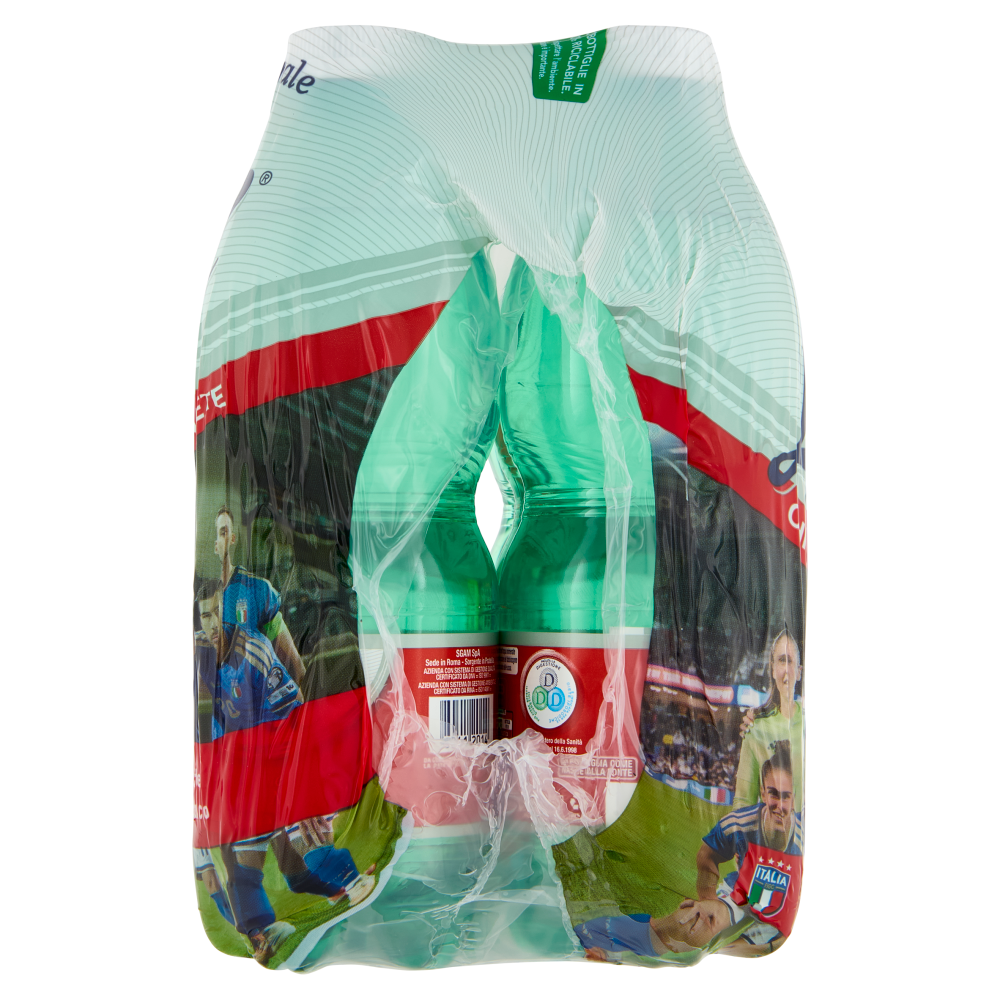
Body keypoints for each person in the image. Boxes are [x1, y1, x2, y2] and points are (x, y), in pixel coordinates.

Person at [194, 579, 302, 740]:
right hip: (224, 744)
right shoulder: (197, 647)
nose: (214, 624)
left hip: (263, 740)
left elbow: (296, 705)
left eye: (218, 611)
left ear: (227, 611)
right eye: (206, 616)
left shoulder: (255, 651)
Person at [213, 505, 306, 685]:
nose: (223, 538)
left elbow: (297, 668)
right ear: (215, 546)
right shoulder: (203, 604)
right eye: (219, 533)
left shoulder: (256, 589)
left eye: (225, 532)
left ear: (232, 539)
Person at [733, 630, 804, 809]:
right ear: (772, 669)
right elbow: (743, 801)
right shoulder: (756, 727)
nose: (786, 669)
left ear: (799, 672)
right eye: (781, 660)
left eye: (790, 661)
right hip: (773, 826)